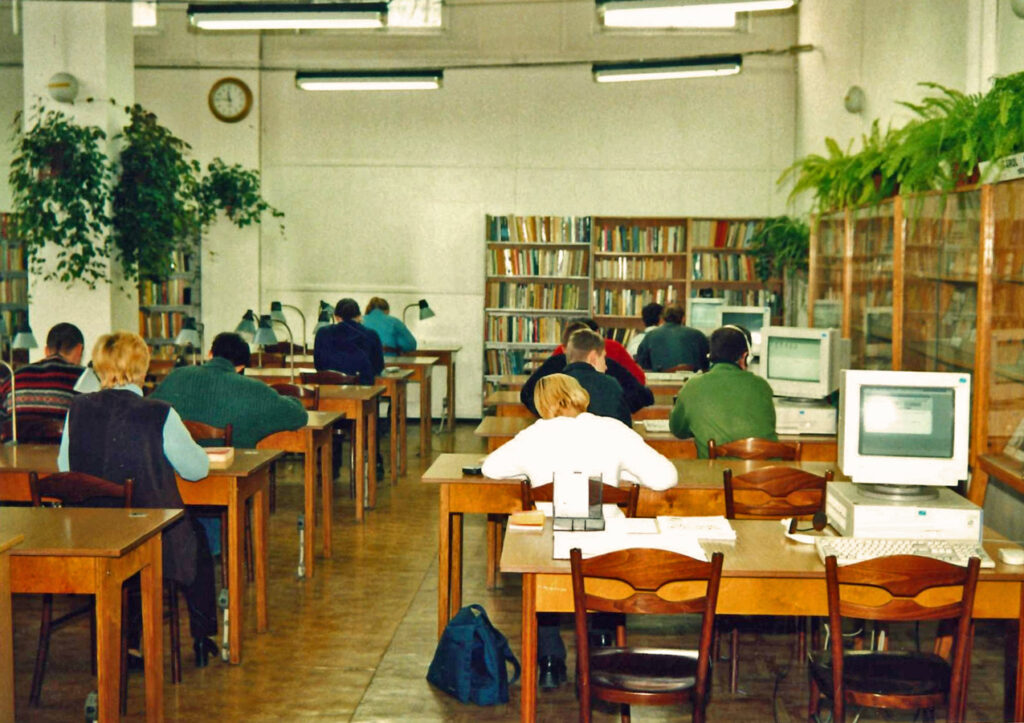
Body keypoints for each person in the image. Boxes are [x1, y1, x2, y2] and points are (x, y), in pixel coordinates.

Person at [482, 374, 676, 688]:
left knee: (540, 553)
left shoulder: (533, 435)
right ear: (581, 395)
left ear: (540, 405)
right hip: (606, 557)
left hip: (552, 553)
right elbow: (666, 477)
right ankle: (601, 647)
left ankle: (549, 659)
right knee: (604, 545)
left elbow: (491, 468)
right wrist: (622, 470)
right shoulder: (613, 429)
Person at [57, 332, 220, 667]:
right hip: (151, 536)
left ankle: (128, 646)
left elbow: (65, 468)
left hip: (95, 534)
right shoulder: (159, 413)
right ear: (142, 367)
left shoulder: (77, 409)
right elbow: (195, 470)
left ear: (100, 365)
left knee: (124, 557)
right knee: (198, 541)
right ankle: (203, 638)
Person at [150, 332, 308, 449]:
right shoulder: (253, 389)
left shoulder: (176, 376)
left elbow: (147, 410)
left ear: (210, 354)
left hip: (174, 472)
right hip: (231, 471)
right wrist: (291, 400)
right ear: (241, 367)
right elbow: (298, 416)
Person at [669, 325, 777, 458]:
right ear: (745, 357)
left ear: (710, 356)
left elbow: (678, 430)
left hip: (717, 475)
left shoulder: (692, 386)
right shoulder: (762, 386)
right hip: (766, 475)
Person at [519, 320, 653, 416]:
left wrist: (549, 414)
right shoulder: (610, 373)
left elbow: (527, 394)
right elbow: (643, 394)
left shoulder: (555, 364)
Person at [0, 322, 84, 427]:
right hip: (60, 442)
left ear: (46, 350)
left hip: (17, 443)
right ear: (79, 349)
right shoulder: (83, 378)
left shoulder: (14, 378)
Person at [562, 328, 631, 426]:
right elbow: (625, 428)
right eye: (603, 358)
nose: (606, 366)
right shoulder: (610, 386)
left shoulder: (553, 386)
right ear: (593, 357)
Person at [313, 298, 385, 384]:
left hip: (327, 389)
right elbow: (378, 367)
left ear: (337, 317)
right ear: (359, 316)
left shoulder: (322, 333)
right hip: (362, 391)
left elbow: (318, 365)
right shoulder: (371, 335)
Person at [635, 303, 710, 372]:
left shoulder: (650, 336)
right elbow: (706, 362)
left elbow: (643, 364)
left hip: (661, 383)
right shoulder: (698, 335)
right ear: (683, 318)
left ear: (662, 318)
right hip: (692, 382)